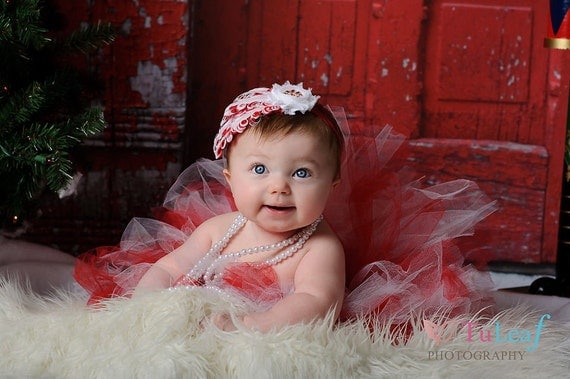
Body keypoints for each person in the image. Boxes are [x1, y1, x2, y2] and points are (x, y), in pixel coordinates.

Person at [74, 81, 497, 331]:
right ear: (229, 180)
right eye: (259, 169)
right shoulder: (217, 229)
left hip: (257, 329)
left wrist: (253, 327)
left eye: (301, 174)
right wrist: (148, 304)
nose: (279, 188)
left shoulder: (320, 248)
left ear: (332, 184)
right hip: (204, 319)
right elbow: (170, 267)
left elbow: (317, 301)